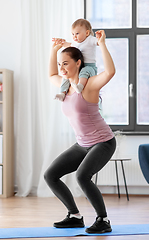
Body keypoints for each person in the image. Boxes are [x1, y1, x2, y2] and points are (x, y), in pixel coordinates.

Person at [44, 30, 116, 234]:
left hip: (103, 142)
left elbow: (110, 72)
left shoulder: (89, 86)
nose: (61, 68)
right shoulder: (64, 86)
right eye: (60, 64)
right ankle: (74, 216)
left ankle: (103, 220)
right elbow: (51, 74)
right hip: (82, 144)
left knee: (82, 176)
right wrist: (54, 51)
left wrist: (102, 44)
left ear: (78, 63)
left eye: (65, 63)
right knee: (51, 175)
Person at [52, 18, 98, 101]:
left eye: (77, 33)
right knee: (65, 77)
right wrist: (60, 43)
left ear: (87, 33)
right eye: (72, 34)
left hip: (90, 67)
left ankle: (80, 86)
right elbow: (68, 44)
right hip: (80, 67)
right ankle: (62, 93)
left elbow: (98, 42)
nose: (74, 36)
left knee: (84, 71)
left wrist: (100, 39)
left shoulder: (90, 39)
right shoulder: (76, 44)